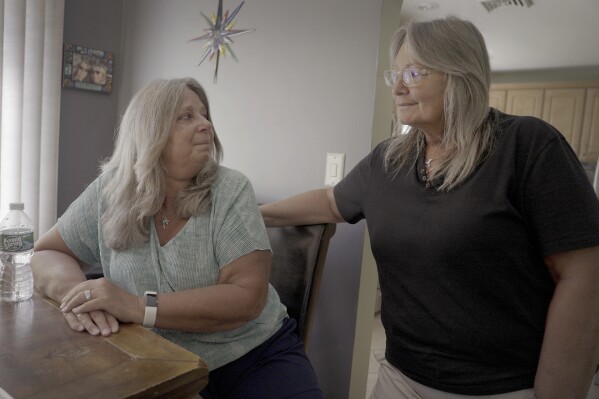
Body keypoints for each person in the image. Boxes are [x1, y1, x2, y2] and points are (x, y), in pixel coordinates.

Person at [260, 17, 599, 399]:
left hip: (501, 388)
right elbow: (329, 201)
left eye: (415, 72)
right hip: (399, 377)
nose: (399, 88)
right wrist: (255, 215)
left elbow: (583, 276)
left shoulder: (528, 145)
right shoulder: (388, 160)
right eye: (397, 74)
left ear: (459, 75)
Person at [31, 77, 323, 399]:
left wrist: (137, 306)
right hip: (153, 358)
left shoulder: (231, 190)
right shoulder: (110, 190)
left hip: (253, 357)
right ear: (149, 131)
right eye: (187, 116)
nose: (206, 125)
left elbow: (247, 297)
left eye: (204, 114)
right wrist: (79, 296)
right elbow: (47, 252)